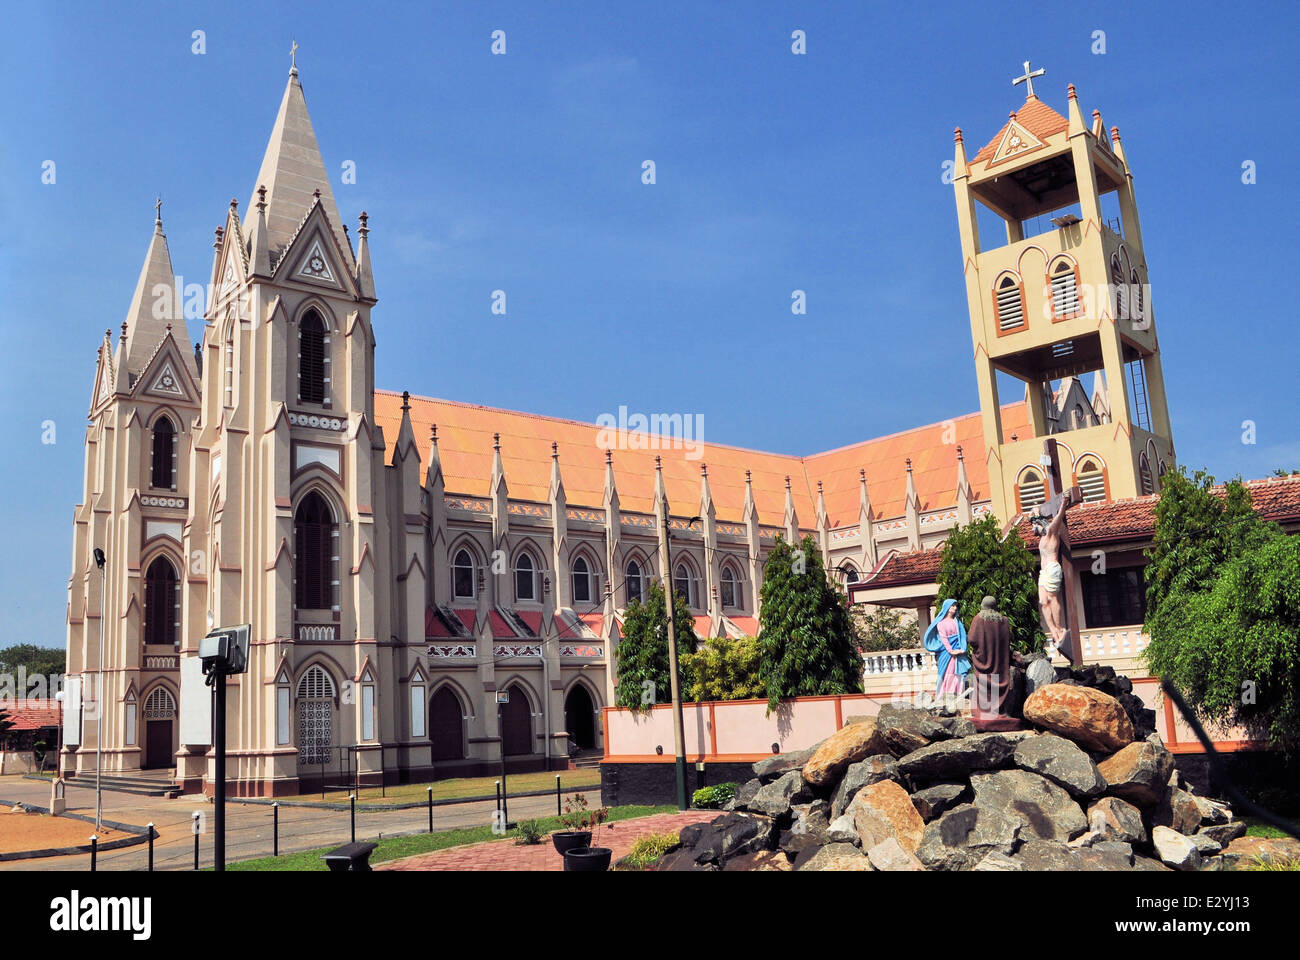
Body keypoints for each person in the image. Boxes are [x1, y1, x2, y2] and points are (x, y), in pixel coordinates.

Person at [1033, 495, 1069, 651]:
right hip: (1043, 572)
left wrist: (1064, 503)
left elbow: (1059, 517)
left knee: (1052, 597)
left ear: (1043, 525)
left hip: (1053, 568)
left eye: (1037, 526)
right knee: (1042, 602)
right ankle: (1053, 630)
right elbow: (1034, 517)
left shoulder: (1052, 533)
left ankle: (1060, 628)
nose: (1036, 530)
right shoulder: (1042, 538)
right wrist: (1035, 511)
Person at [922, 599, 970, 700]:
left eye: (956, 606)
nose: (955, 608)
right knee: (948, 673)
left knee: (958, 675)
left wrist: (962, 649)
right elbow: (944, 638)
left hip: (959, 653)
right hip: (947, 654)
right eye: (952, 606)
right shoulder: (941, 623)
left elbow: (962, 636)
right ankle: (945, 696)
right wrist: (951, 651)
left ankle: (959, 694)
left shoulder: (957, 622)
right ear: (947, 608)